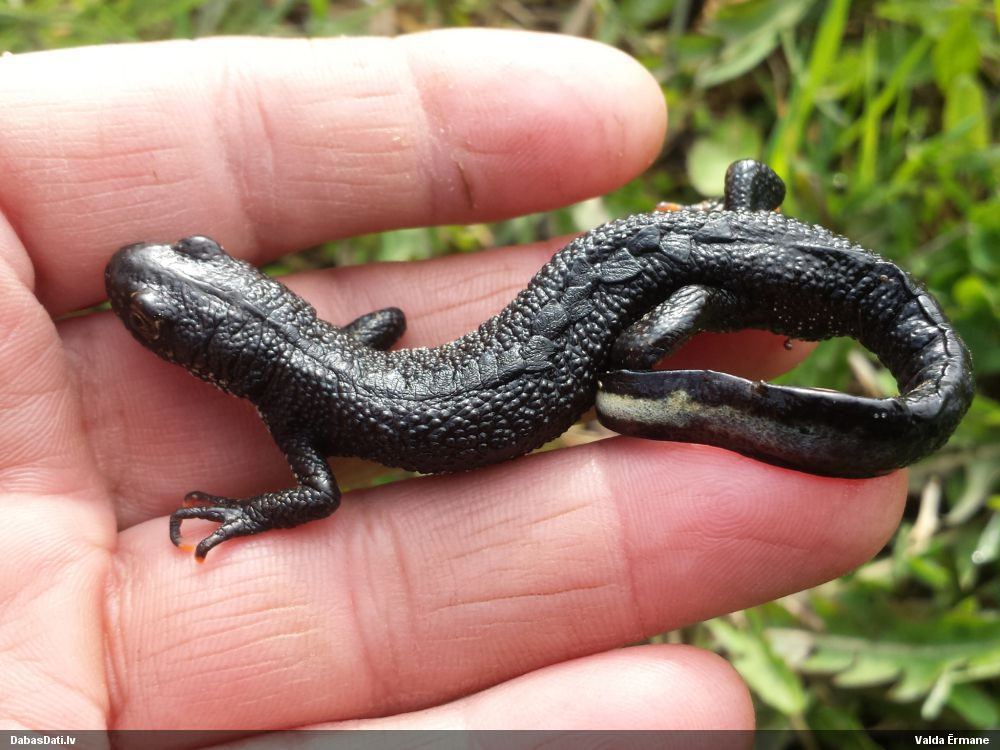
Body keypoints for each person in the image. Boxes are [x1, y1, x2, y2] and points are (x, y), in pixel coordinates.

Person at [0, 29, 904, 732]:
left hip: (617, 295)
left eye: (181, 279)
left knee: (644, 350)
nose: (149, 291)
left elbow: (320, 489)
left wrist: (248, 507)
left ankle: (770, 303)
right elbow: (381, 337)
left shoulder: (295, 410)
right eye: (156, 316)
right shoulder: (307, 380)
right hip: (623, 278)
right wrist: (327, 356)